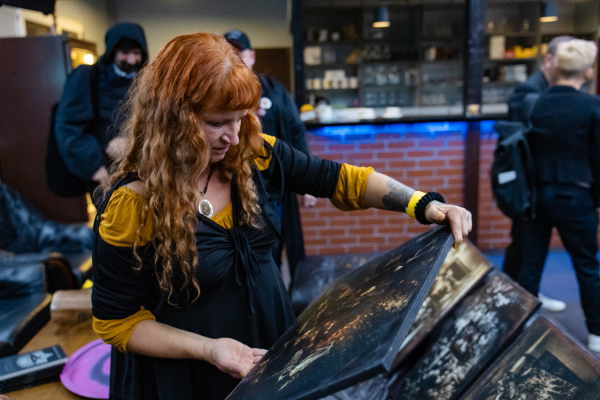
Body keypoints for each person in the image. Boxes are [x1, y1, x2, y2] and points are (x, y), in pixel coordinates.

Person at [91, 32, 472, 400]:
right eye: (217, 123)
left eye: (240, 118)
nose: (233, 137)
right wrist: (208, 349)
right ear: (172, 119)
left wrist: (422, 204)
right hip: (189, 374)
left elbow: (338, 178)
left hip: (266, 347)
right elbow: (116, 322)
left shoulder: (251, 154)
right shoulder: (133, 205)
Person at [516, 39, 600, 352]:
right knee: (587, 267)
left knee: (530, 265)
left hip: (536, 197)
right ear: (587, 71)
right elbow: (598, 159)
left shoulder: (534, 104)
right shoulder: (592, 106)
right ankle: (596, 334)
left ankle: (521, 327)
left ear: (558, 67)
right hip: (577, 198)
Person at [224, 29, 316, 281]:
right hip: (233, 185)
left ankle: (278, 296)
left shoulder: (275, 91)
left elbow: (296, 133)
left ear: (252, 56)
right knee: (244, 250)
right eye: (229, 52)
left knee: (274, 242)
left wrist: (306, 182)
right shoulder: (217, 93)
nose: (235, 57)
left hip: (275, 185)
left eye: (240, 52)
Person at [502, 35, 574, 312]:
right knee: (523, 243)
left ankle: (519, 295)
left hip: (539, 180)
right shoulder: (529, 90)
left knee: (526, 245)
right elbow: (517, 140)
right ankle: (512, 299)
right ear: (549, 59)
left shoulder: (555, 88)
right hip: (526, 181)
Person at [55, 22, 148, 199]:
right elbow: (69, 127)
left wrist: (134, 144)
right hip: (106, 173)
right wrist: (94, 165)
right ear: (113, 51)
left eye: (136, 53)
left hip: (143, 171)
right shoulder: (88, 76)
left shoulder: (147, 80)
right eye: (125, 52)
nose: (131, 60)